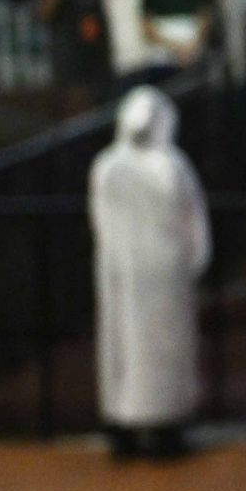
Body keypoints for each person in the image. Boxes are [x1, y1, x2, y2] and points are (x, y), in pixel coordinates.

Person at [90, 85, 211, 460]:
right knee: (163, 349)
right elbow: (194, 221)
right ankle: (163, 427)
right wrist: (194, 261)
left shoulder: (107, 166)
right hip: (164, 274)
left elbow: (99, 222)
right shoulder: (171, 165)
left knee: (121, 347)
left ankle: (121, 427)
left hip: (119, 272)